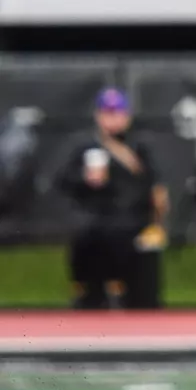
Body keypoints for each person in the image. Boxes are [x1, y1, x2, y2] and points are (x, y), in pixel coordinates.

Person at [57, 88, 168, 309]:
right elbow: (63, 180)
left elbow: (154, 185)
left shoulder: (139, 146)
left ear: (126, 116)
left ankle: (124, 292)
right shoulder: (85, 147)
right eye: (107, 113)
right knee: (87, 237)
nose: (112, 119)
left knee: (123, 236)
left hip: (132, 221)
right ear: (98, 115)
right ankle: (89, 294)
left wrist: (156, 218)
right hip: (95, 220)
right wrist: (86, 179)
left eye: (117, 113)